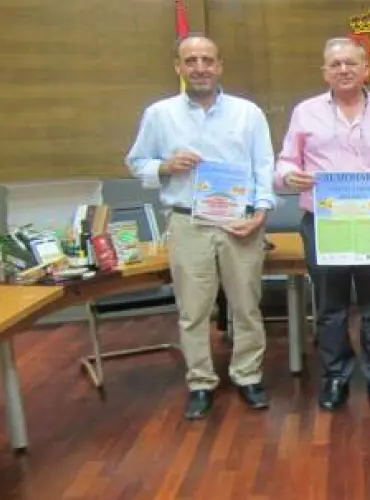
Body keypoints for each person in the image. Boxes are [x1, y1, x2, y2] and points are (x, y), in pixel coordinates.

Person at [125, 35, 276, 420]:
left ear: (220, 65)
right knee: (193, 310)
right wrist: (164, 166)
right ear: (178, 66)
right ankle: (200, 382)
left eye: (207, 60)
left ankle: (248, 375)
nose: (200, 67)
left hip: (239, 221)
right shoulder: (159, 114)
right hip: (187, 220)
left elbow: (264, 166)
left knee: (246, 306)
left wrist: (261, 212)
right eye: (190, 60)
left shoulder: (247, 113)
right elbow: (136, 162)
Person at [274, 37, 370, 412]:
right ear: (325, 72)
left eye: (351, 63)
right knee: (330, 306)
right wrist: (290, 177)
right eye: (335, 64)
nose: (343, 70)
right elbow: (285, 163)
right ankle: (335, 376)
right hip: (325, 221)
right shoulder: (305, 112)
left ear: (366, 69)